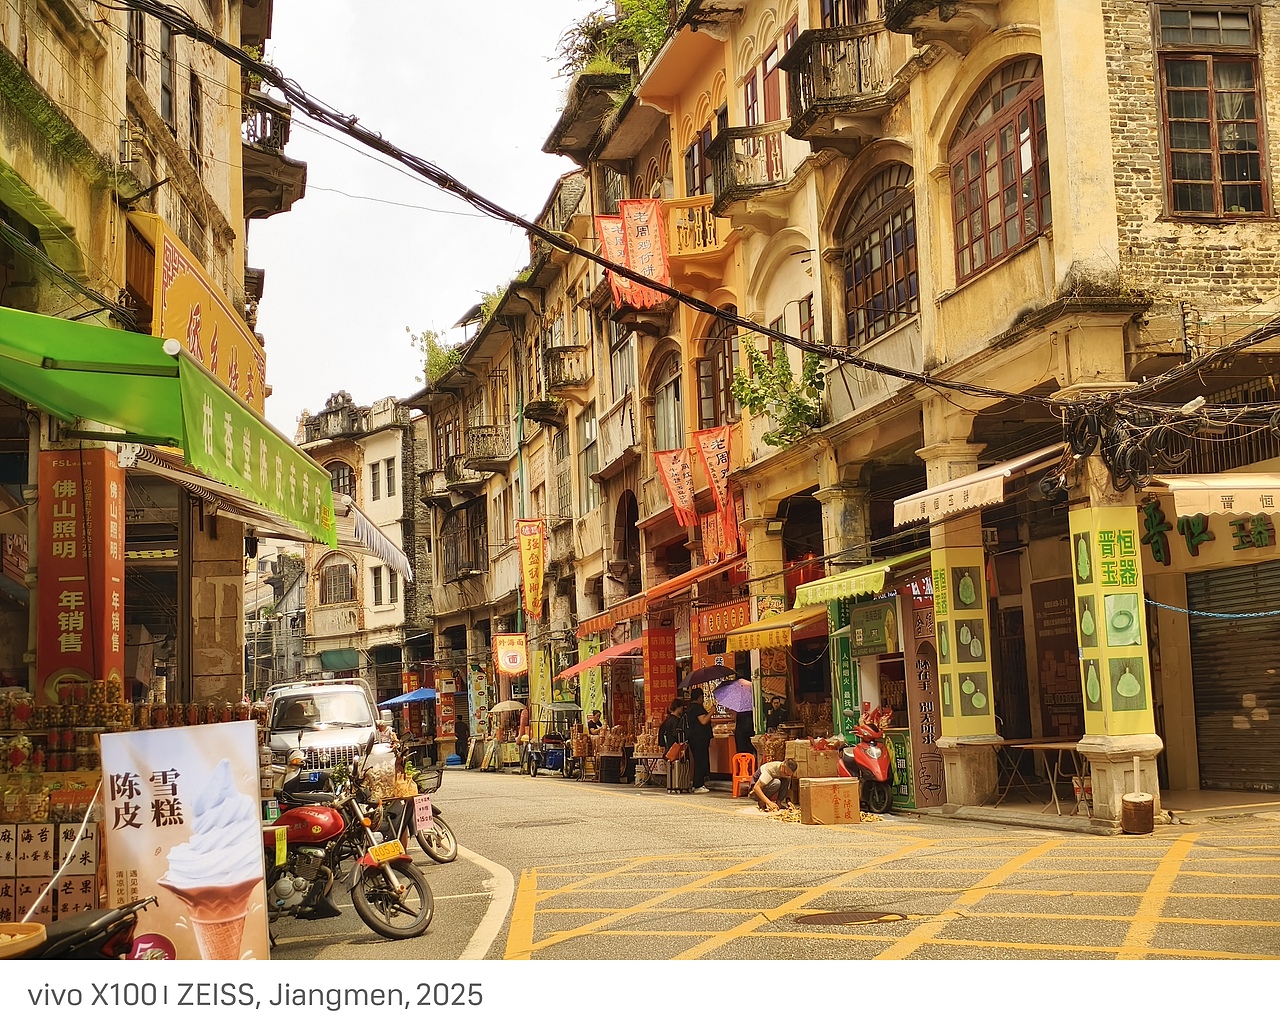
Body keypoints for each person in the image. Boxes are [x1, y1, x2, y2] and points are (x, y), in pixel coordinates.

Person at [686, 687, 713, 794]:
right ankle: (698, 784)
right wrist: (712, 711)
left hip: (693, 738)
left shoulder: (690, 708)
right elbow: (703, 721)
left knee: (698, 760)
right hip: (699, 739)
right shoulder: (697, 708)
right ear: (700, 697)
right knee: (700, 761)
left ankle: (697, 783)